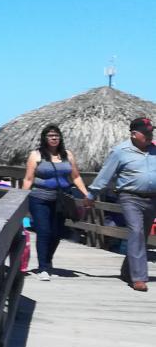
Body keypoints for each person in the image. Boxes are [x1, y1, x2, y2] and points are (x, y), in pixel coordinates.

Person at [88, 117, 156, 291]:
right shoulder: (120, 151)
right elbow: (105, 175)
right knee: (136, 231)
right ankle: (139, 278)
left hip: (152, 198)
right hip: (130, 197)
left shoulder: (155, 150)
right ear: (134, 134)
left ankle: (127, 270)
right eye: (146, 133)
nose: (150, 135)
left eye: (151, 132)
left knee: (142, 236)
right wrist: (91, 194)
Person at [20, 124, 90, 280]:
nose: (53, 138)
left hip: (62, 199)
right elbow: (28, 179)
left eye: (56, 135)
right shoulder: (36, 155)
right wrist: (22, 198)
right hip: (39, 198)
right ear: (44, 138)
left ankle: (47, 260)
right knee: (44, 231)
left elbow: (76, 177)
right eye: (50, 136)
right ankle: (43, 267)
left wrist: (87, 194)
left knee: (56, 233)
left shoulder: (68, 155)